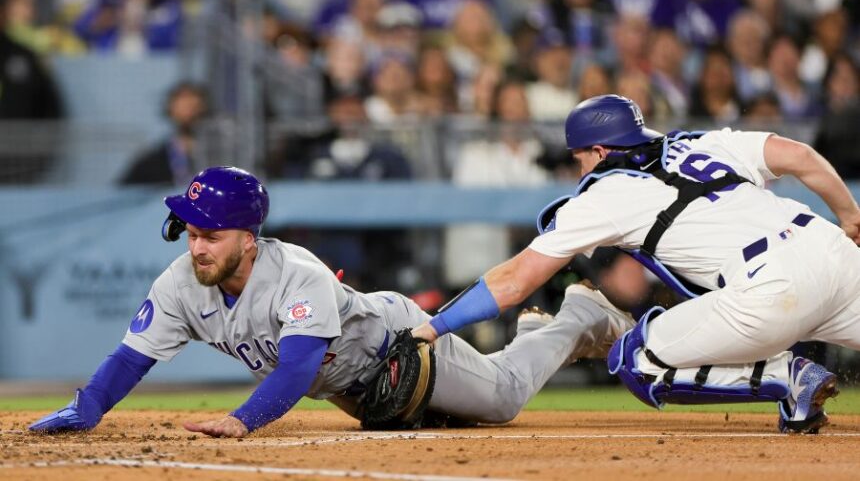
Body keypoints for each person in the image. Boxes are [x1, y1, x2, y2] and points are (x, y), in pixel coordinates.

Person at [28, 166, 633, 437]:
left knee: (501, 401)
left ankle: (577, 314)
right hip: (350, 386)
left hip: (396, 345)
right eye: (190, 233)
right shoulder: (183, 283)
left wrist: (243, 420)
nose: (197, 247)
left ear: (248, 236)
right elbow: (132, 356)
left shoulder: (297, 272)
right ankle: (539, 330)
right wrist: (87, 409)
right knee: (446, 431)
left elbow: (294, 368)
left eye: (210, 235)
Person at [412, 94, 860, 434]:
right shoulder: (702, 142)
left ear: (601, 151)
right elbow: (798, 155)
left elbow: (513, 281)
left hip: (772, 286)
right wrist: (850, 214)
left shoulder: (603, 196)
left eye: (580, 156)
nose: (579, 167)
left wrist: (435, 326)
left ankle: (787, 377)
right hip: (831, 249)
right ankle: (791, 382)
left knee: (636, 360)